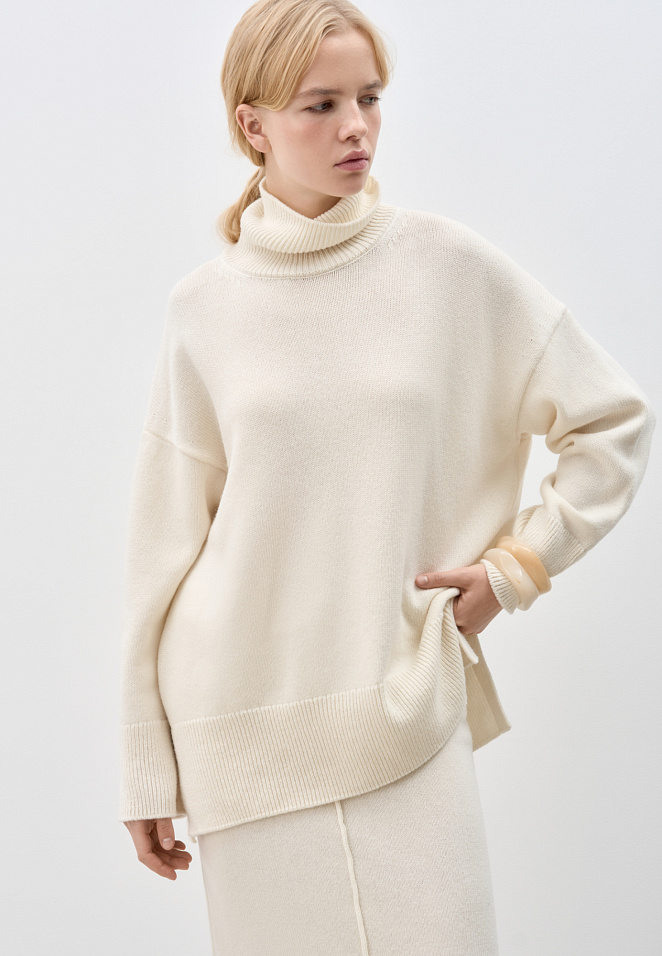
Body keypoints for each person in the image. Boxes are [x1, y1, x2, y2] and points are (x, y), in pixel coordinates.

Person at [118, 1, 656, 953]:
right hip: (238, 724)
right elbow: (163, 548)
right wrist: (144, 763)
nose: (355, 127)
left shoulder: (446, 266)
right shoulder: (204, 309)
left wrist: (516, 568)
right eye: (320, 105)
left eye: (368, 98)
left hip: (402, 705)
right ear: (253, 124)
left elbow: (611, 418)